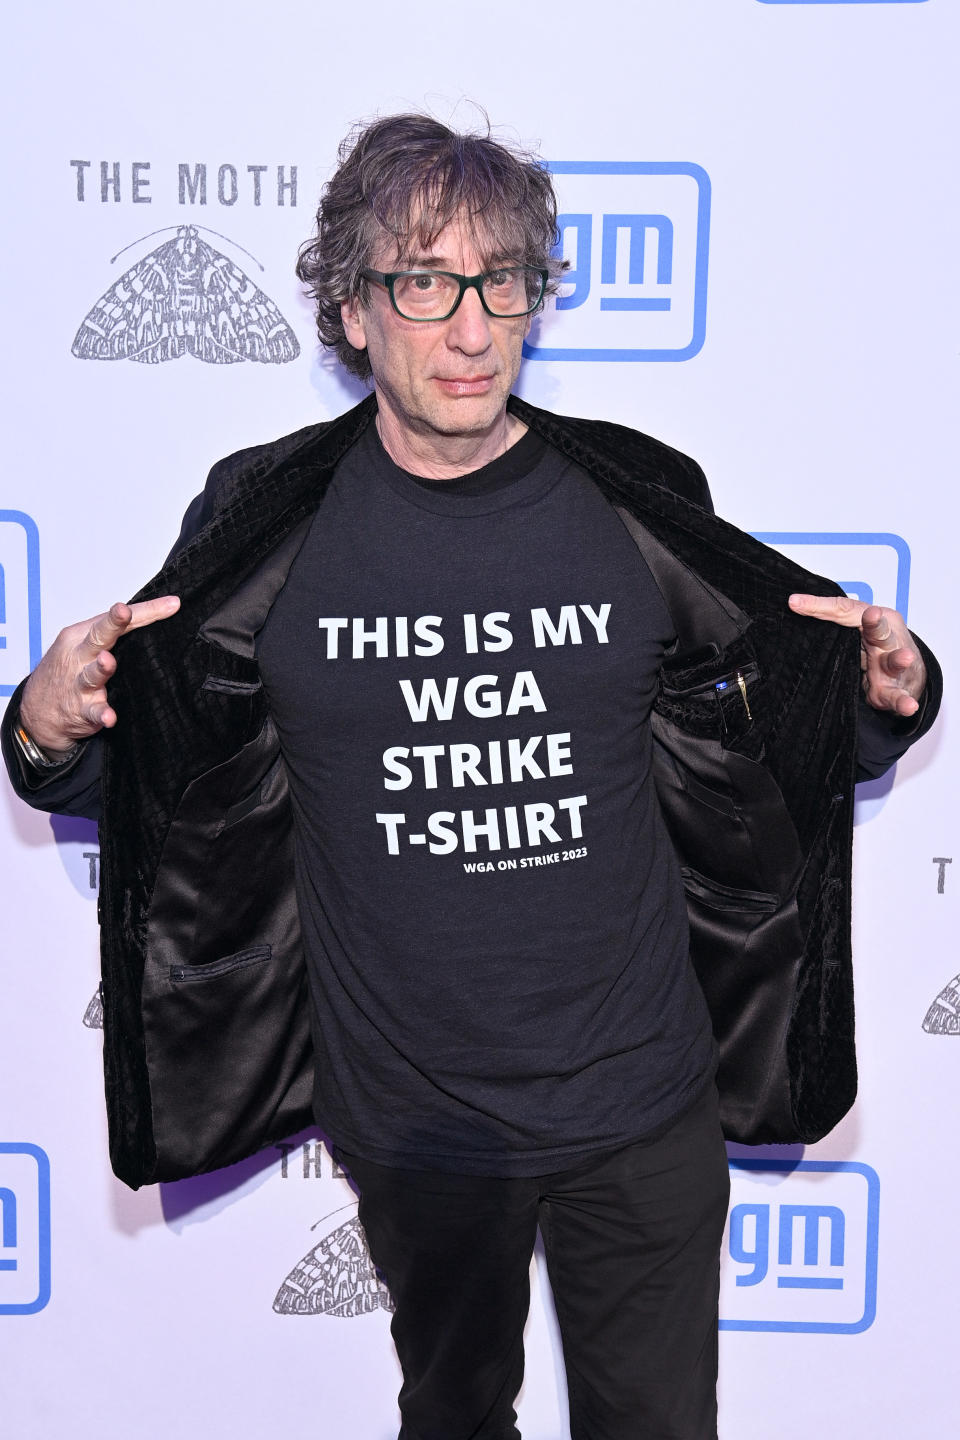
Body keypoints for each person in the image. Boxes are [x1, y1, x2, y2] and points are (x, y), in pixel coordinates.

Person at [2, 114, 940, 1439]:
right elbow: (161, 783)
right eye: (425, 284)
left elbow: (766, 745)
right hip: (417, 1117)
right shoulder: (261, 520)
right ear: (352, 308)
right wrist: (47, 723)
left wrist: (886, 705)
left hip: (645, 1098)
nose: (471, 328)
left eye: (504, 282)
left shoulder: (636, 497)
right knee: (454, 1419)